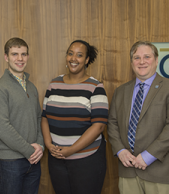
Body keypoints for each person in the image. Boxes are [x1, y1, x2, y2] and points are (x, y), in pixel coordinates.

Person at [107, 41, 169, 194]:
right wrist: (120, 150)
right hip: (128, 169)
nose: (142, 62)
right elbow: (112, 123)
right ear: (132, 63)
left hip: (160, 170)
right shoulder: (121, 91)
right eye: (137, 58)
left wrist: (148, 156)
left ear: (156, 60)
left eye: (147, 57)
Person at [41, 40, 109, 194]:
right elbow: (44, 117)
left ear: (86, 60)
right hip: (57, 158)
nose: (73, 59)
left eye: (79, 55)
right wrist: (48, 144)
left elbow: (99, 126)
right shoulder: (54, 84)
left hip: (87, 160)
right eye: (70, 53)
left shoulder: (95, 87)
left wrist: (71, 150)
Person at [0, 37, 44, 194]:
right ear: (6, 57)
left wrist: (40, 145)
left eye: (24, 54)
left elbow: (38, 118)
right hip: (10, 163)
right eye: (14, 54)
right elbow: (2, 128)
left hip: (33, 160)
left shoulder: (31, 87)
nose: (20, 59)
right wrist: (29, 150)